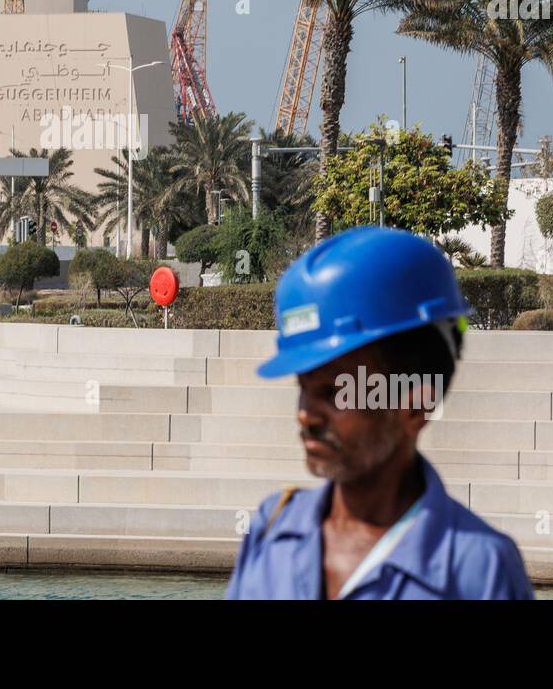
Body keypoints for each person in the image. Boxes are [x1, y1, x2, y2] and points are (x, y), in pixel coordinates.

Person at [227, 226, 533, 601]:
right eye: (303, 389)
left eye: (334, 393)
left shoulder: (479, 569)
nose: (305, 416)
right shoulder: (271, 529)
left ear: (415, 407)